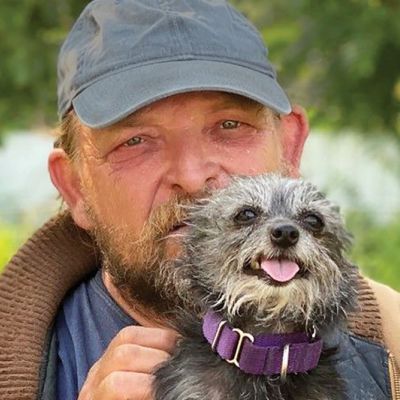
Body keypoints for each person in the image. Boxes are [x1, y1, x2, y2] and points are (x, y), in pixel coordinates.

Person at [0, 1, 399, 399]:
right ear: (75, 187)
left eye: (230, 125)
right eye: (135, 141)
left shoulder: (393, 347)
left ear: (290, 147)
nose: (192, 178)